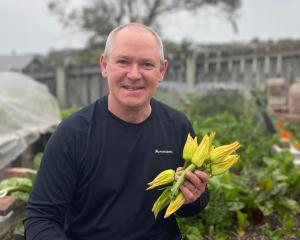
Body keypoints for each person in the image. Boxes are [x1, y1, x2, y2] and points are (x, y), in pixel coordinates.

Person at [24, 22, 209, 240]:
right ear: (104, 65)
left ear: (162, 70)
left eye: (147, 64)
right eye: (123, 61)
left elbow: (192, 206)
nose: (133, 74)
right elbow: (41, 218)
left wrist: (193, 197)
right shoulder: (73, 134)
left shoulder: (178, 127)